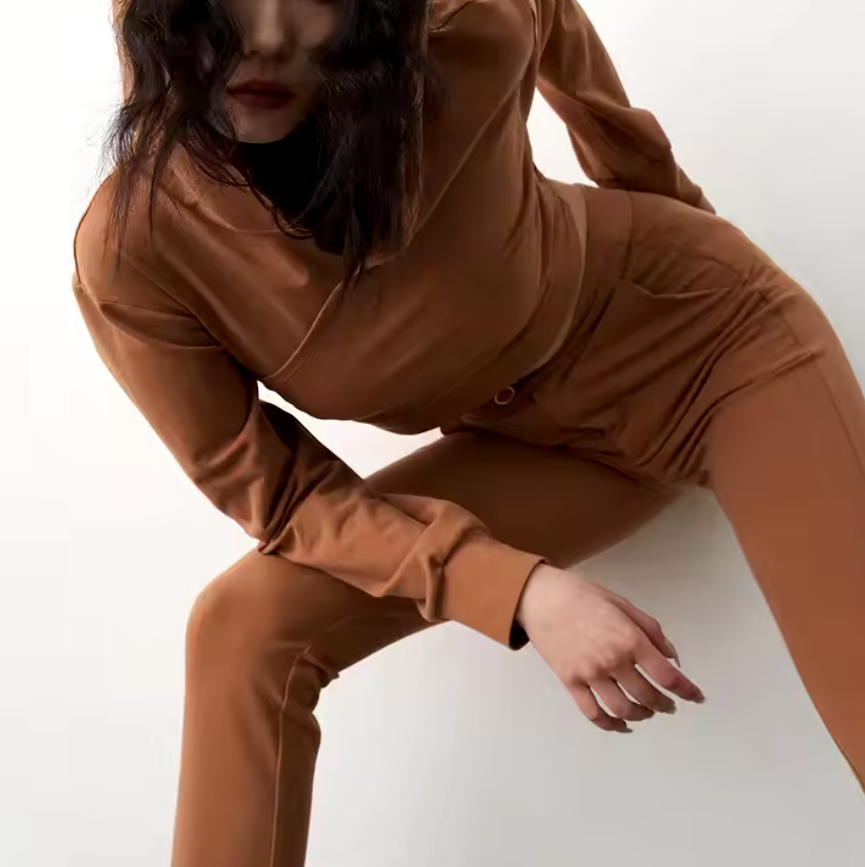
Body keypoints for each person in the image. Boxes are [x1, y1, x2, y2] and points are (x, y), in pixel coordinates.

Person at [73, 0, 864, 864]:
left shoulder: (463, 34)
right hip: (538, 451)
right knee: (242, 627)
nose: (263, 38)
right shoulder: (137, 249)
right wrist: (516, 588)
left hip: (712, 346)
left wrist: (670, 201)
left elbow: (553, 21)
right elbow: (285, 495)